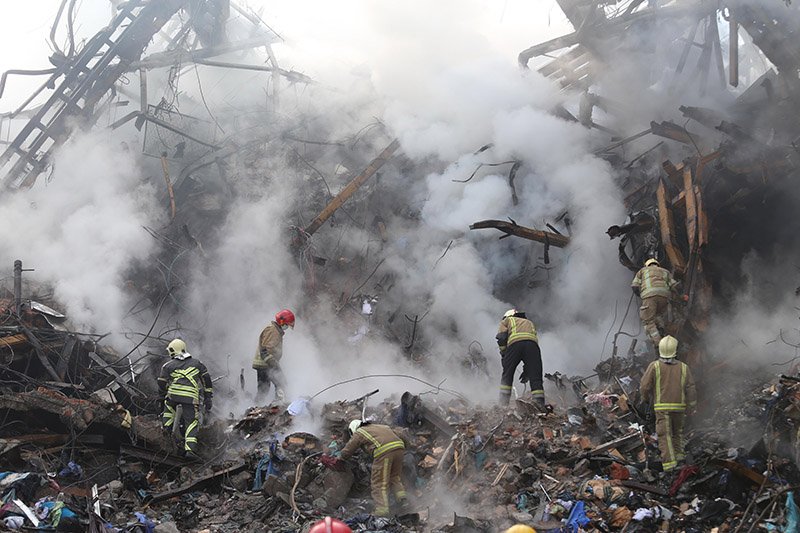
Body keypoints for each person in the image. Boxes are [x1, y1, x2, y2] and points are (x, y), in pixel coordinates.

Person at [322, 420, 407, 516]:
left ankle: (382, 510)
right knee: (394, 477)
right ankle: (403, 500)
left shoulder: (360, 432)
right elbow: (400, 434)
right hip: (399, 448)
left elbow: (350, 448)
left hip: (384, 451)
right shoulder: (380, 426)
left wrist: (340, 457)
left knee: (378, 482)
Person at [639, 335, 697, 472]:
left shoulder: (654, 366)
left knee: (665, 435)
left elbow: (644, 386)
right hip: (679, 407)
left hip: (662, 408)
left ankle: (670, 465)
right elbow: (691, 388)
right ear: (675, 350)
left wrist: (645, 399)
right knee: (678, 433)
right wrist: (692, 406)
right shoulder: (684, 367)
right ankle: (680, 457)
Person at [157, 339, 213, 457]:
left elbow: (161, 382)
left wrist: (164, 394)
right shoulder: (198, 364)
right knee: (191, 422)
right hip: (190, 398)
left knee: (168, 412)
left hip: (173, 395)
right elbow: (207, 381)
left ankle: (166, 437)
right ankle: (190, 451)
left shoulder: (168, 366)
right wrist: (208, 398)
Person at [496, 309, 544, 406]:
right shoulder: (529, 322)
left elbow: (501, 338)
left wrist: (504, 354)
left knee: (507, 374)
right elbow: (528, 346)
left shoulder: (507, 320)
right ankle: (539, 403)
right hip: (533, 346)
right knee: (536, 376)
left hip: (515, 345)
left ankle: (503, 404)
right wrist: (527, 370)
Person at [631, 258, 678, 350]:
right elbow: (675, 286)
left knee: (648, 321)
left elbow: (635, 286)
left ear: (647, 265)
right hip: (664, 297)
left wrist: (642, 295)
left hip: (649, 297)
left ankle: (659, 344)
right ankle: (662, 331)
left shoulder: (642, 271)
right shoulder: (665, 271)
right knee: (658, 316)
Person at [252, 309, 294, 402]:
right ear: (282, 322)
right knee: (280, 383)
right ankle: (277, 404)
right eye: (287, 324)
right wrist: (275, 366)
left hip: (266, 363)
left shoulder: (276, 331)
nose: (287, 327)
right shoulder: (273, 331)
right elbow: (265, 351)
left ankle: (260, 405)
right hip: (265, 364)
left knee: (264, 390)